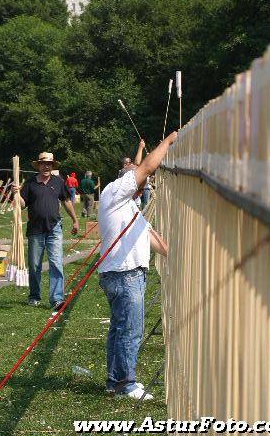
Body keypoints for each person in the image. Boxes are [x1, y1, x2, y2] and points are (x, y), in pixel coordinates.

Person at [98, 131, 177, 400]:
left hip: (126, 275)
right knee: (129, 331)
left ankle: (115, 381)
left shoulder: (129, 207)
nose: (141, 179)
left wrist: (175, 255)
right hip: (124, 276)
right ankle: (125, 384)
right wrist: (167, 141)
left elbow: (151, 237)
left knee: (121, 329)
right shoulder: (114, 191)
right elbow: (146, 167)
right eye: (135, 175)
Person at [12, 152, 79, 310]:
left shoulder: (58, 182)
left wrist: (75, 220)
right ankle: (34, 296)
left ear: (52, 166)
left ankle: (56, 299)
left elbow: (66, 201)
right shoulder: (30, 183)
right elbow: (21, 205)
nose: (46, 166)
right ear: (39, 165)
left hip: (54, 228)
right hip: (35, 229)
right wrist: (16, 193)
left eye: (49, 164)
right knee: (35, 265)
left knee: (56, 263)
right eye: (43, 164)